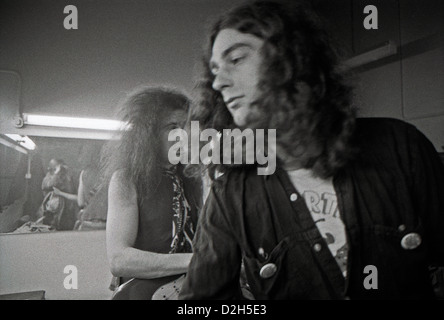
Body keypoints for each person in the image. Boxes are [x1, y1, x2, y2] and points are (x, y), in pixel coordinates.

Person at [179, 0, 444, 299]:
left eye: (236, 58)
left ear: (293, 56)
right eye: (214, 70)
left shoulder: (402, 147)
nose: (219, 82)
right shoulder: (231, 193)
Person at [104, 86, 202, 299]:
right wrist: (200, 260)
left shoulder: (193, 179)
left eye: (186, 127)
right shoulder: (126, 179)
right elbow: (119, 260)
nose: (183, 135)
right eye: (173, 126)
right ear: (149, 134)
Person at [40, 158, 78, 230]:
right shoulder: (49, 177)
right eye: (50, 168)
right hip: (51, 215)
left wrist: (61, 193)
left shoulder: (69, 178)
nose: (51, 171)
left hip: (67, 215)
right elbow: (46, 185)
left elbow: (77, 197)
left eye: (55, 168)